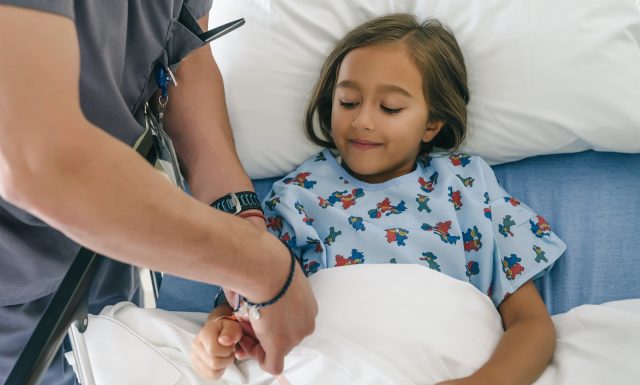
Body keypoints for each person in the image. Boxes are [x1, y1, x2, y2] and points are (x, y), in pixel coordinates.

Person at [0, 1, 317, 384]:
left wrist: (238, 213)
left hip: (109, 220)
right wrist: (261, 268)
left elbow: (183, 48)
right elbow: (43, 164)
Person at [192, 13, 565, 385]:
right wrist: (218, 335)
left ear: (432, 124)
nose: (363, 121)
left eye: (390, 108)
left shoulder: (466, 186)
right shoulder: (297, 195)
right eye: (349, 102)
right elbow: (242, 307)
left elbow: (531, 324)